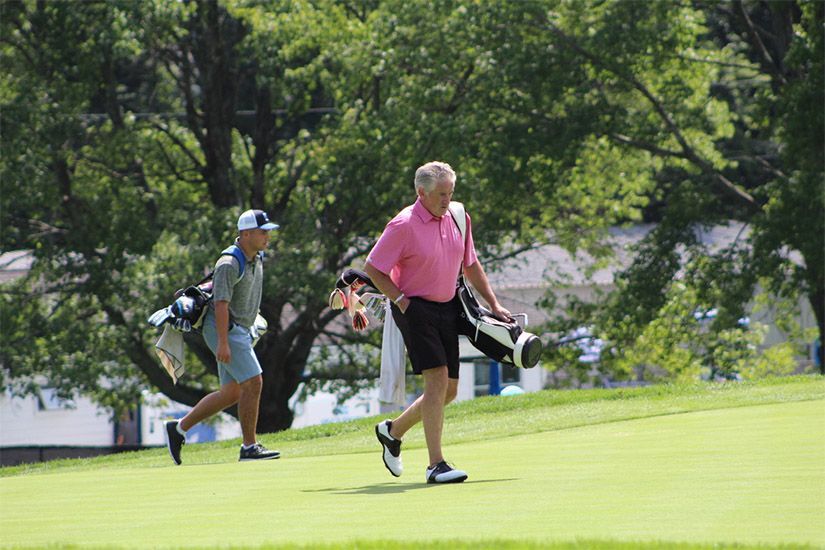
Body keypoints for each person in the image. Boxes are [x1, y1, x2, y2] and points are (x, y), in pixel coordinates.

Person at [364, 161, 512, 484]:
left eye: (450, 193)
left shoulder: (458, 216)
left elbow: (470, 264)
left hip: (448, 307)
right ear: (422, 193)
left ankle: (392, 431)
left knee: (449, 390)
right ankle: (436, 465)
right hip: (414, 310)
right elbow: (373, 268)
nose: (447, 200)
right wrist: (400, 299)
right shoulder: (402, 225)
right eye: (441, 194)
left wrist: (494, 304)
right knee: (437, 382)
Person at [165, 209, 281, 465]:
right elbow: (220, 304)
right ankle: (249, 447)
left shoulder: (256, 257)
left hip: (239, 329)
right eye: (263, 232)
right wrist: (224, 343)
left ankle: (178, 428)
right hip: (225, 329)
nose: (267, 236)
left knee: (231, 393)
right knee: (254, 382)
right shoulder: (229, 263)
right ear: (246, 233)